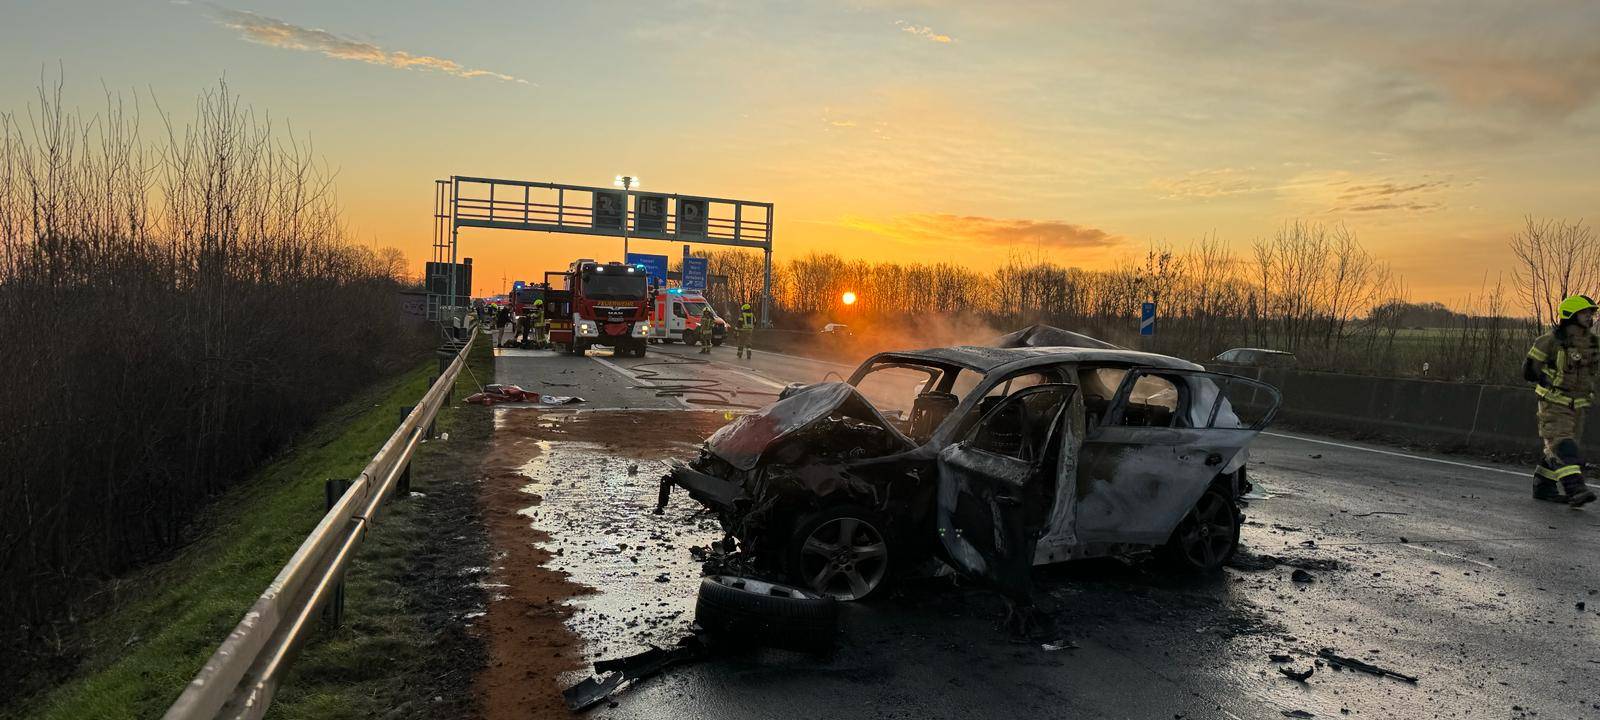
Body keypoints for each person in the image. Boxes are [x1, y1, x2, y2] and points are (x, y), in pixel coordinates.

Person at [1523, 294, 1600, 506]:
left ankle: (1543, 485)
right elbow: (1529, 371)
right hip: (1554, 403)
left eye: (1591, 313)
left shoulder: (1593, 343)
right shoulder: (1550, 341)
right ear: (1570, 315)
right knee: (1562, 444)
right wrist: (1545, 378)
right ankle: (1576, 488)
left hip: (1578, 406)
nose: (1590, 317)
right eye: (1585, 312)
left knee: (1563, 447)